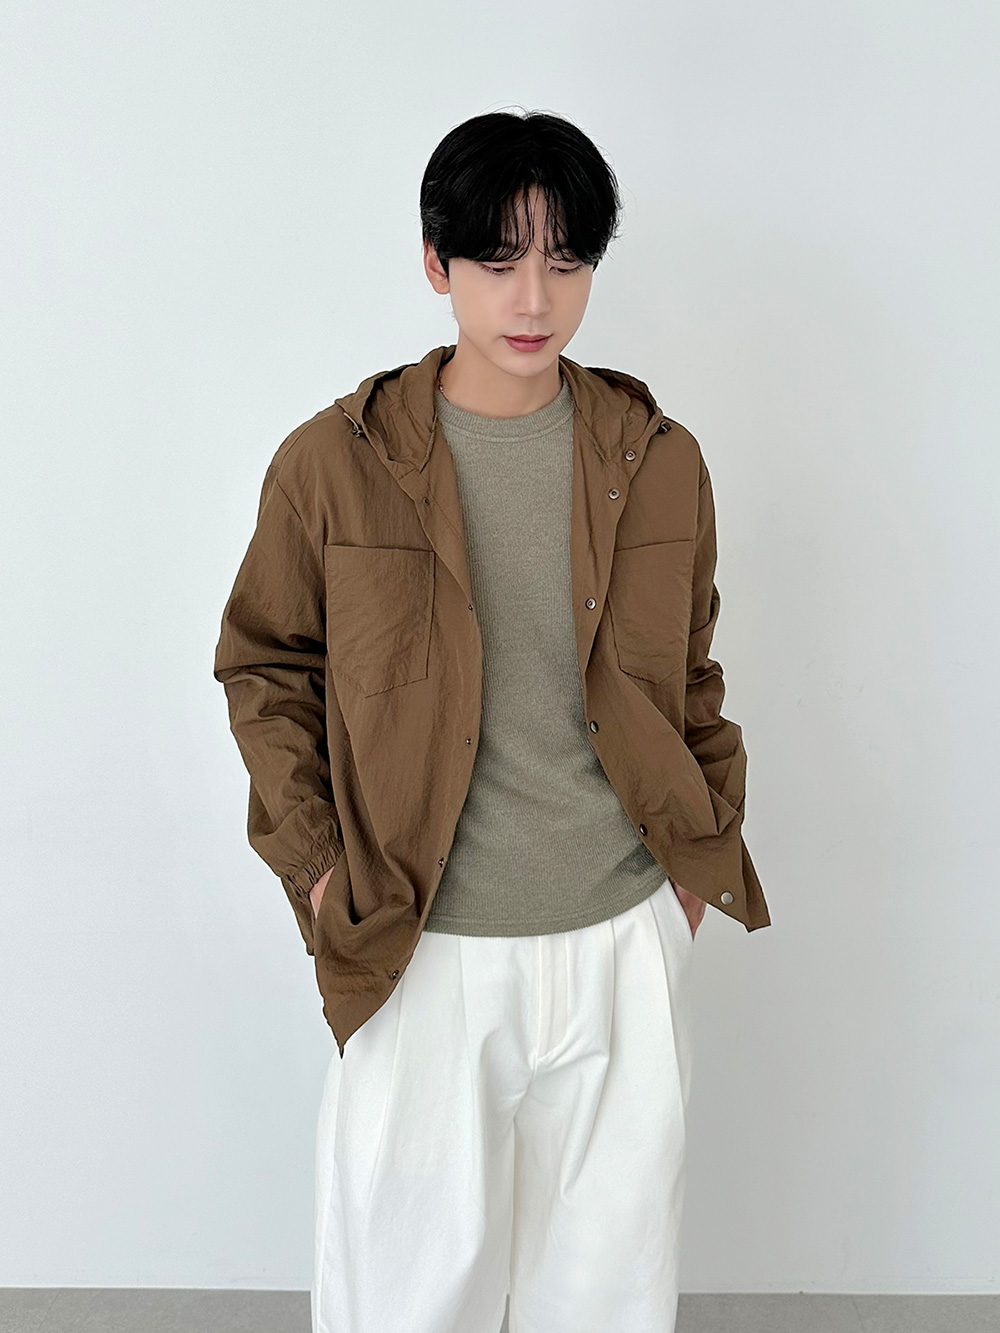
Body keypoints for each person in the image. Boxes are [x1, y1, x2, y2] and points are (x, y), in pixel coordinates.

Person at [213, 107, 770, 1333]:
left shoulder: (658, 457)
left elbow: (690, 674)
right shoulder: (335, 462)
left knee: (609, 1298)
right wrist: (322, 872)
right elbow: (265, 668)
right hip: (423, 943)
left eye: (565, 261)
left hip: (621, 934)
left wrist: (690, 871)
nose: (534, 297)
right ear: (436, 263)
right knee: (406, 1299)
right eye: (499, 258)